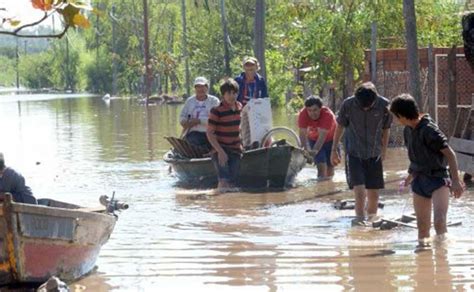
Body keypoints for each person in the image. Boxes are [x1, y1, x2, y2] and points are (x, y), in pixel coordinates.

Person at [389, 94, 464, 247]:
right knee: (422, 226)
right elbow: (416, 159)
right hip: (419, 182)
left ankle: (443, 260)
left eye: (396, 117)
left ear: (403, 115)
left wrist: (455, 181)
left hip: (438, 180)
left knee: (439, 221)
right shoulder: (408, 130)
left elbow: (450, 154)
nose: (396, 121)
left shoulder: (429, 130)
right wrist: (408, 179)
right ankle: (424, 262)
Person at [330, 82, 392, 224]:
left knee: (374, 193)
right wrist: (334, 150)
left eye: (368, 107)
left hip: (374, 153)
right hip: (354, 153)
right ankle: (359, 221)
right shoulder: (348, 105)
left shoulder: (384, 105)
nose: (365, 109)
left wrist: (384, 150)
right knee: (359, 191)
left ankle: (371, 221)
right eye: (362, 106)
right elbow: (340, 126)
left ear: (375, 99)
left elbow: (386, 128)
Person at [207, 78, 242, 193]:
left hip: (236, 149)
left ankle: (231, 208)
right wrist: (220, 152)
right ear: (223, 95)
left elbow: (243, 127)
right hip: (220, 148)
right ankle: (221, 207)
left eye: (234, 93)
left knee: (232, 183)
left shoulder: (239, 107)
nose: (232, 96)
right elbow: (210, 133)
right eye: (229, 93)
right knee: (223, 181)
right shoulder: (216, 111)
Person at [298, 96, 337, 179]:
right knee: (320, 164)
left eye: (315, 110)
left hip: (331, 139)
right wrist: (305, 152)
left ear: (320, 108)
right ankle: (320, 184)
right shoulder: (303, 114)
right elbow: (302, 134)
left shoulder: (327, 115)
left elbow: (322, 138)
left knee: (330, 167)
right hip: (313, 139)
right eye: (309, 110)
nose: (312, 113)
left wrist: (311, 154)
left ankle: (329, 186)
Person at [235, 57, 269, 149]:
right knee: (245, 130)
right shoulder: (238, 80)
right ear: (244, 68)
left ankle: (260, 146)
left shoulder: (260, 80)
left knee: (260, 130)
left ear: (256, 67)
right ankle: (246, 146)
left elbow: (265, 97)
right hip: (242, 109)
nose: (249, 69)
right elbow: (234, 95)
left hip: (256, 109)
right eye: (247, 66)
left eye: (252, 66)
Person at [179, 76, 220, 149]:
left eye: (202, 86)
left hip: (211, 133)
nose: (200, 89)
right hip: (194, 133)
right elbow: (182, 117)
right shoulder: (190, 101)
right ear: (195, 88)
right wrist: (185, 122)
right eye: (198, 87)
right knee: (191, 142)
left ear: (207, 88)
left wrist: (199, 121)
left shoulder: (214, 101)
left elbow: (217, 120)